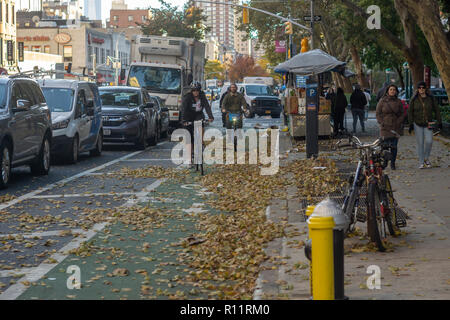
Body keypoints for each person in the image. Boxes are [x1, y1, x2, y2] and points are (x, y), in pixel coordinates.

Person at [407, 81, 442, 169]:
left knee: (429, 141)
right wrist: (410, 124)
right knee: (420, 143)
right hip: (417, 123)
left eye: (423, 87)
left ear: (426, 89)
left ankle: (426, 158)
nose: (421, 89)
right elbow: (410, 112)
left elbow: (436, 110)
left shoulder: (431, 98)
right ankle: (421, 162)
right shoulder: (414, 99)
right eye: (420, 88)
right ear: (417, 89)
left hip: (428, 123)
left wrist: (439, 121)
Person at [376, 84, 405, 170]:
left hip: (395, 126)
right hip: (385, 127)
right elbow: (378, 113)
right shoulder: (382, 101)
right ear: (387, 91)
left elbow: (402, 113)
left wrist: (398, 122)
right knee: (384, 146)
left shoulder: (398, 101)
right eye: (391, 89)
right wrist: (382, 122)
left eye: (394, 90)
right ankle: (385, 162)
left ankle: (393, 163)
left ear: (396, 91)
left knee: (394, 146)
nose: (392, 91)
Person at [180, 81, 214, 153]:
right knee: (189, 136)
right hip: (188, 116)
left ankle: (201, 142)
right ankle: (190, 152)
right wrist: (184, 120)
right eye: (194, 90)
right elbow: (184, 109)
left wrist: (210, 117)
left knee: (200, 124)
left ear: (199, 90)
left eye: (197, 90)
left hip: (198, 114)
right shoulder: (187, 97)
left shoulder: (202, 96)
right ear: (192, 91)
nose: (196, 92)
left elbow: (207, 106)